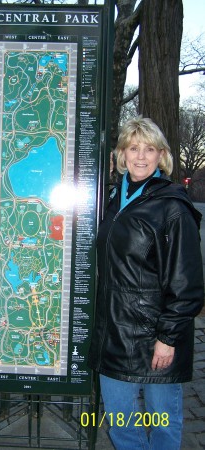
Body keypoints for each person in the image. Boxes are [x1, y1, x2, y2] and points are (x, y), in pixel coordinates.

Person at [88, 116, 204, 450]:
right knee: (121, 423)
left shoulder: (172, 206)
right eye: (133, 147)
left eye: (149, 149)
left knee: (163, 423)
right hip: (116, 332)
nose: (141, 156)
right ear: (122, 154)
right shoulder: (114, 198)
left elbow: (188, 282)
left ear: (161, 156)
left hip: (157, 335)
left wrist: (167, 338)